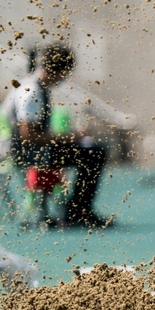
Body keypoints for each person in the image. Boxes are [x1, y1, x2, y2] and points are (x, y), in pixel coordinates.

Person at [3, 43, 110, 227]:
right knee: (94, 154)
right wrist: (70, 138)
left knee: (92, 151)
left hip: (35, 149)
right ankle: (78, 211)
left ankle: (76, 210)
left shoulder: (36, 86)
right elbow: (28, 135)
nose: (65, 77)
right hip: (30, 152)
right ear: (59, 69)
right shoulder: (31, 91)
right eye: (66, 71)